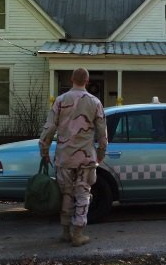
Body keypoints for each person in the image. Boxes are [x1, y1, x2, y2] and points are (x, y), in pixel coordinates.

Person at [39, 68, 108, 247]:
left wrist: (44, 151)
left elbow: (49, 128)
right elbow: (102, 134)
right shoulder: (95, 102)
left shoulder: (60, 101)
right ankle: (78, 234)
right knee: (83, 193)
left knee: (67, 194)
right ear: (87, 80)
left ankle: (65, 232)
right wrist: (100, 155)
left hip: (64, 157)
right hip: (86, 158)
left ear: (71, 79)